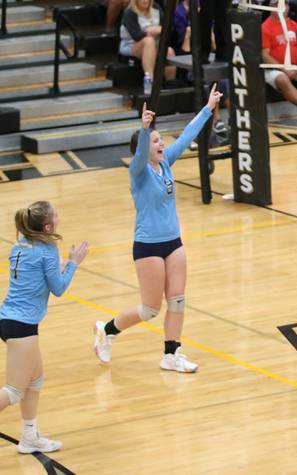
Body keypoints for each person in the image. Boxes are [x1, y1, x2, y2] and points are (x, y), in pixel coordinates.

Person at [92, 85, 223, 372]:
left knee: (177, 300)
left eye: (161, 139)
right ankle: (108, 330)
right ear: (144, 147)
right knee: (150, 309)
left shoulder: (166, 164)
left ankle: (171, 354)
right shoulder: (138, 172)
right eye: (155, 141)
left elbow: (188, 134)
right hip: (148, 246)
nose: (161, 144)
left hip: (173, 242)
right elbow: (139, 156)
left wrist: (208, 107)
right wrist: (143, 127)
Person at [0, 202, 89, 453]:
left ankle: (30, 437)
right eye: (56, 216)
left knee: (35, 380)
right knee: (14, 390)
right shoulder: (47, 249)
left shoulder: (19, 245)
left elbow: (36, 275)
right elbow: (58, 288)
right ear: (48, 226)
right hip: (22, 326)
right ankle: (30, 436)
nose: (59, 218)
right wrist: (73, 263)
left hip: (8, 319)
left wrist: (59, 264)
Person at [119, 0, 177, 94]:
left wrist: (156, 30)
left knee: (169, 51)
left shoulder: (156, 8)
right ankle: (149, 80)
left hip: (155, 44)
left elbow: (168, 28)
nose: (145, 0)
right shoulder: (129, 12)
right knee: (149, 41)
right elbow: (137, 35)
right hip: (131, 44)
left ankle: (170, 84)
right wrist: (152, 31)